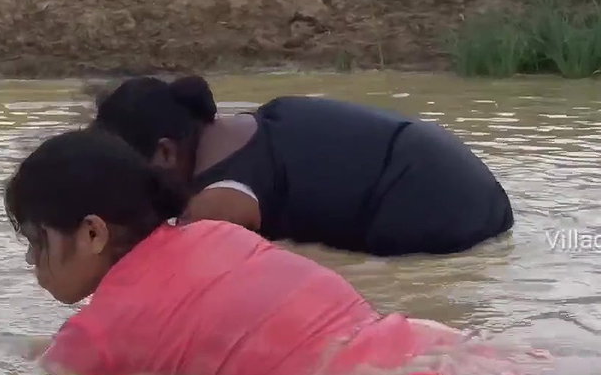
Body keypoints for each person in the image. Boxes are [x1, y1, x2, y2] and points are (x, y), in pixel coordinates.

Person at [4, 127, 471, 375]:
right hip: (440, 349)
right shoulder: (215, 233)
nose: (31, 260)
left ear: (91, 232)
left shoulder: (97, 335)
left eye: (35, 241)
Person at [89, 75, 514, 257]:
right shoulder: (248, 126)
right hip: (463, 180)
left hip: (432, 208)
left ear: (165, 153)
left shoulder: (215, 200)